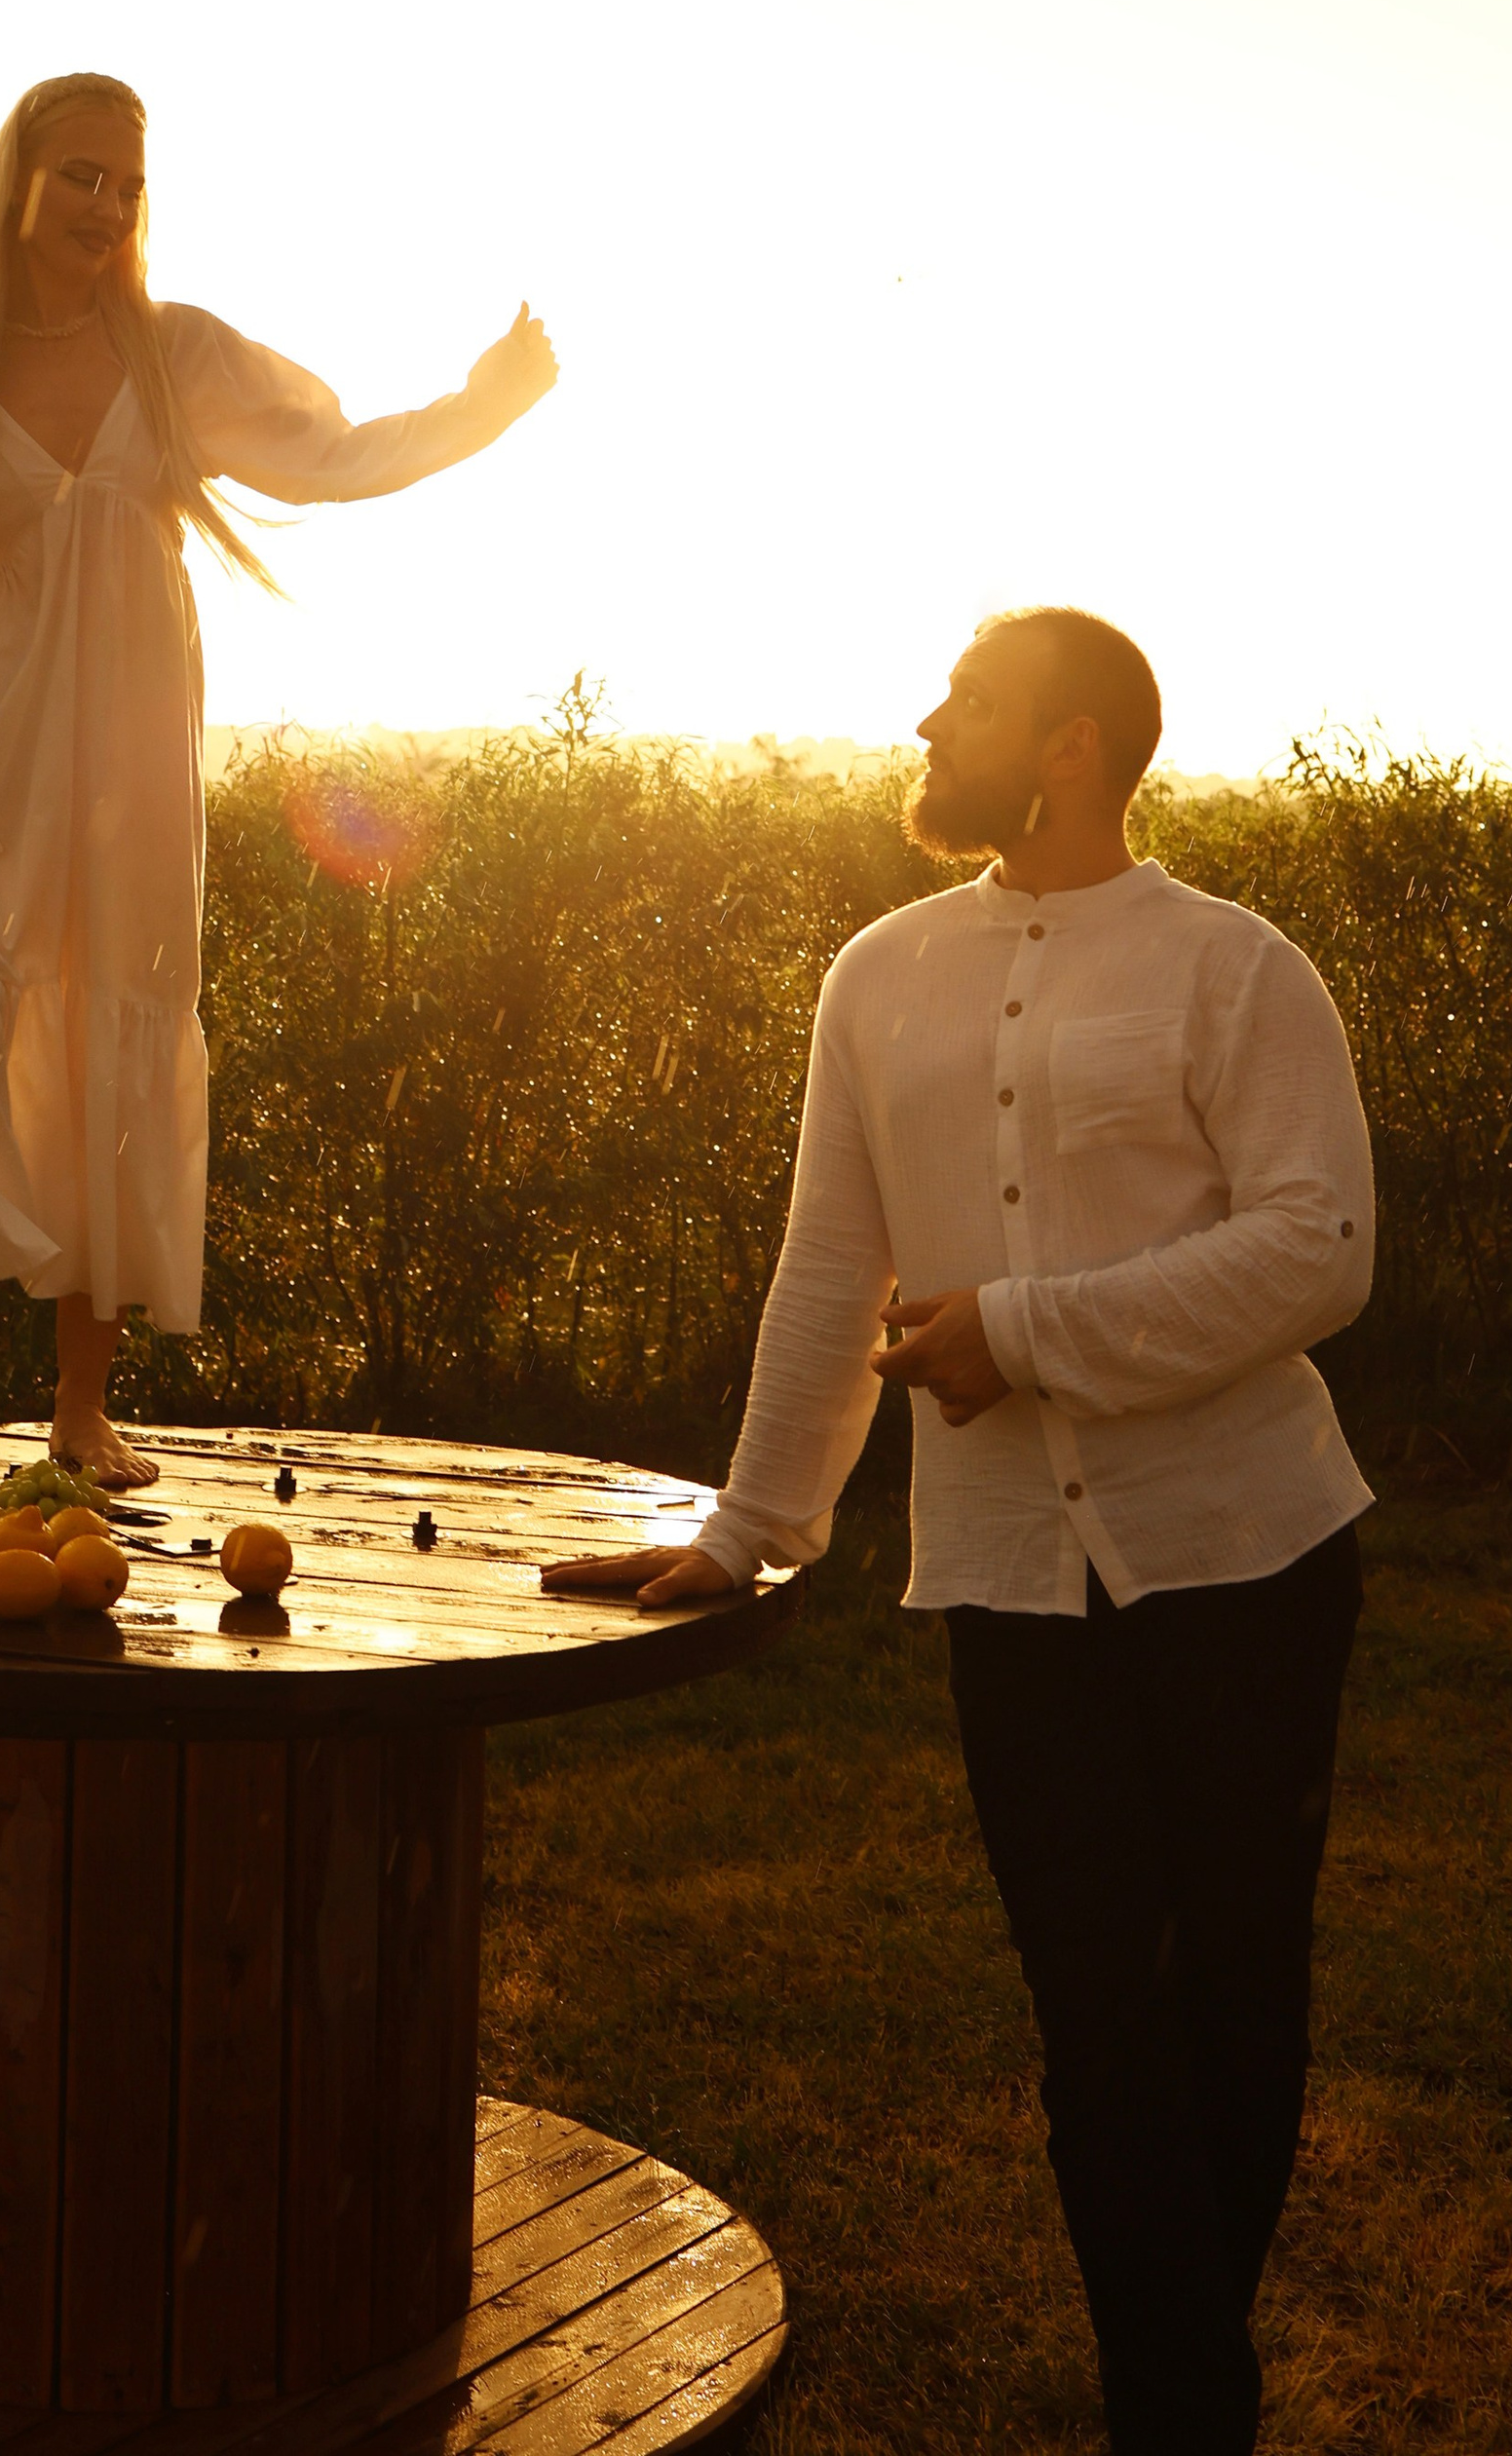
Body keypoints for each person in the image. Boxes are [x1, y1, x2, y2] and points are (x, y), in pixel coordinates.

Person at [545, 608, 1373, 2456]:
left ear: (1072, 746)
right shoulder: (880, 976)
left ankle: (1178, 2395)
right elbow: (834, 1261)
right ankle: (1185, 2402)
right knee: (1095, 2014)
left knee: (1233, 1986)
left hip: (1250, 1555)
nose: (929, 722)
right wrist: (756, 1520)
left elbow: (1320, 1250)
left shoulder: (1235, 972)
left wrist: (1022, 1332)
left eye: (971, 702)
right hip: (1008, 1575)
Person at [0, 68, 555, 1482]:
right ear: (21, 185)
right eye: (82, 175)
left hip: (133, 771)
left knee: (109, 1060)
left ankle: (80, 1408)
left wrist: (486, 408)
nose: (106, 205)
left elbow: (334, 460)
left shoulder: (179, 359)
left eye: (129, 185)